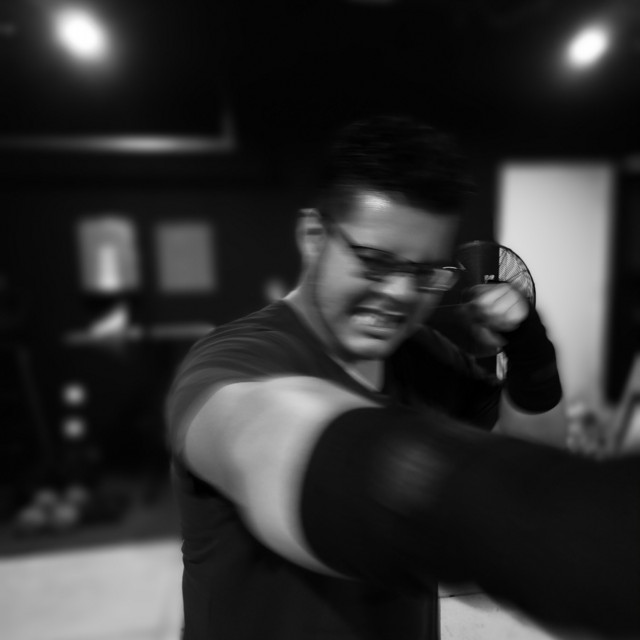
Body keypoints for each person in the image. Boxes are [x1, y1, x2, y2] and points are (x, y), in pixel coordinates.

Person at [166, 115, 640, 640]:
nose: (400, 294)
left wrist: (530, 353)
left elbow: (538, 448)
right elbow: (275, 439)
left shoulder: (422, 355)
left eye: (424, 273)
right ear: (314, 236)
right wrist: (571, 527)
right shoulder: (230, 362)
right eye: (374, 262)